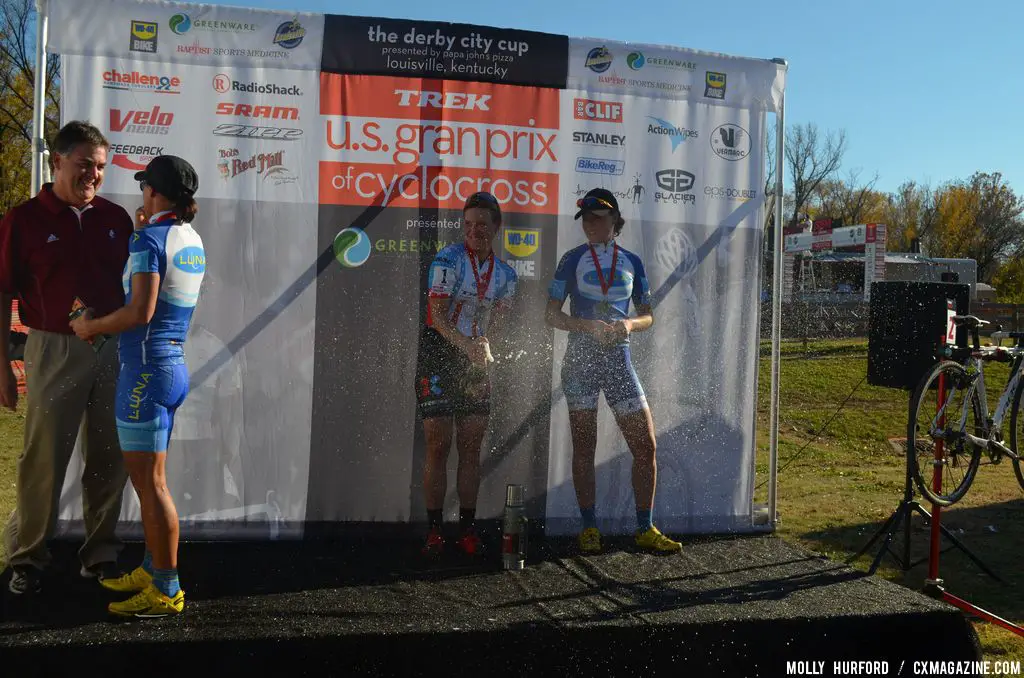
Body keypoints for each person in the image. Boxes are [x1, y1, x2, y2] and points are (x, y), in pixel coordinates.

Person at [0, 121, 134, 595]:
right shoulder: (24, 219)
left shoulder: (117, 218)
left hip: (110, 349)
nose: (93, 175)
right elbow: (3, 292)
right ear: (56, 161)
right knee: (43, 460)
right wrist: (2, 367)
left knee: (109, 456)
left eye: (99, 166)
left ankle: (100, 553)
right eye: (83, 165)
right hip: (53, 348)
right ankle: (28, 556)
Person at [70, 155, 205, 617]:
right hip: (168, 368)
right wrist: (140, 232)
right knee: (152, 482)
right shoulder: (187, 236)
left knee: (151, 486)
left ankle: (167, 589)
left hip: (145, 371)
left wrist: (94, 328)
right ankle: (154, 568)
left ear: (153, 190)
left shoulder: (150, 240)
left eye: (145, 184)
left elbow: (139, 313)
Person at [545, 188, 682, 555]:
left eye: (597, 218)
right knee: (584, 447)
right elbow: (551, 315)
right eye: (586, 219)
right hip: (581, 362)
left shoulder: (633, 262)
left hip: (619, 360)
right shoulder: (570, 259)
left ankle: (644, 527)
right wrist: (588, 327)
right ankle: (589, 527)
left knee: (645, 445)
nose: (590, 225)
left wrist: (627, 327)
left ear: (614, 222)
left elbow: (648, 315)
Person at [416, 191, 517, 557]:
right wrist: (469, 345)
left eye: (482, 225)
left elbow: (501, 324)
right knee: (438, 445)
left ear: (496, 228)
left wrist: (486, 345)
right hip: (440, 352)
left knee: (471, 448)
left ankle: (468, 529)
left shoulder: (506, 274)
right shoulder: (448, 259)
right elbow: (438, 318)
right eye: (469, 224)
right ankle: (433, 530)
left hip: (476, 357)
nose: (475, 231)